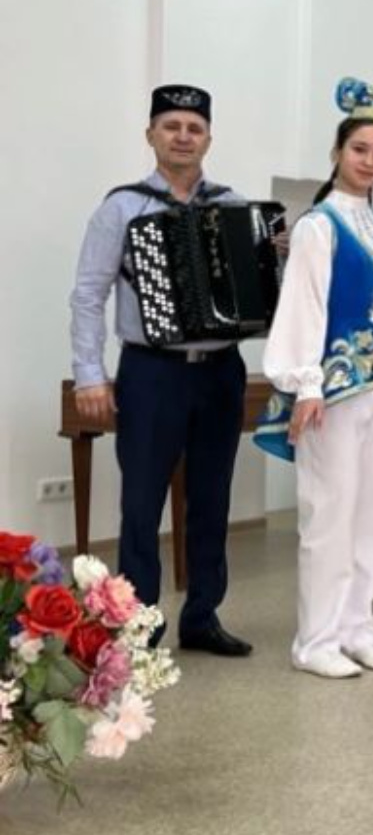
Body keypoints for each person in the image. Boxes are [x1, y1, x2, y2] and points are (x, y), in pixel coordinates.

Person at [68, 84, 258, 657]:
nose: (183, 137)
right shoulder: (121, 207)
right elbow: (88, 294)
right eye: (171, 126)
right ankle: (138, 625)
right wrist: (89, 374)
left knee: (212, 499)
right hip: (151, 372)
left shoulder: (233, 205)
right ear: (151, 134)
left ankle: (202, 617)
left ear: (208, 139)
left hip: (221, 370)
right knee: (141, 503)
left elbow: (255, 287)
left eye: (194, 128)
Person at [256, 77, 373, 679]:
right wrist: (307, 384)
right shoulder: (318, 225)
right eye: (359, 149)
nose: (369, 161)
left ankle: (356, 629)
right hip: (334, 392)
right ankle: (315, 640)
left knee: (372, 517)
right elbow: (304, 305)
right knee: (328, 515)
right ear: (337, 153)